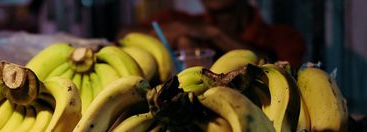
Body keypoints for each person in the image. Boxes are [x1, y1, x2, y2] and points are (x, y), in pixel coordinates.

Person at [119, 0, 306, 69]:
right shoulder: (182, 20)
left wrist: (214, 34)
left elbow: (280, 70)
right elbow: (123, 35)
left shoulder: (285, 37)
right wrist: (182, 35)